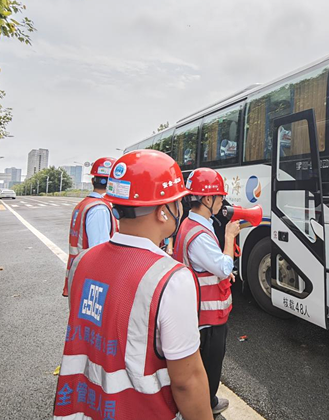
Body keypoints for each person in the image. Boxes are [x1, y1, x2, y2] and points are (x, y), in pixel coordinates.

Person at [54, 150, 212, 420]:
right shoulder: (171, 278)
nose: (180, 209)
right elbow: (187, 381)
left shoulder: (82, 262)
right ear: (164, 212)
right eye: (177, 202)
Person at [173, 168, 241, 416]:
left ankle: (206, 401)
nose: (223, 202)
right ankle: (206, 407)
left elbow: (208, 266)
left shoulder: (193, 224)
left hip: (201, 311)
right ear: (207, 199)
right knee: (210, 364)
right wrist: (230, 237)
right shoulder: (199, 233)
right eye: (220, 197)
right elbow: (223, 266)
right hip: (208, 316)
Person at [63, 157, 118, 297]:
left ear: (92, 181)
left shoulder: (85, 204)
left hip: (80, 270)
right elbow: (100, 250)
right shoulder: (99, 208)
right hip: (92, 277)